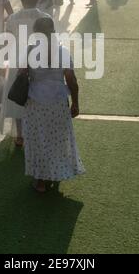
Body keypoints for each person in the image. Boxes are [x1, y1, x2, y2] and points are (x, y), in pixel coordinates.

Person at [22, 17, 85, 193]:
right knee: (56, 139)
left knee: (38, 140)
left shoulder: (29, 51)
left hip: (35, 102)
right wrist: (76, 103)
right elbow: (71, 80)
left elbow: (21, 73)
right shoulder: (62, 52)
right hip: (57, 101)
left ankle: (41, 181)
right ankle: (56, 172)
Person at [4, 0, 50, 146]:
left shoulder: (12, 19)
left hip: (18, 60)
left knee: (19, 95)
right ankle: (37, 131)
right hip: (39, 61)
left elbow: (7, 42)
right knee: (37, 96)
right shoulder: (45, 17)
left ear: (22, 0)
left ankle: (20, 135)